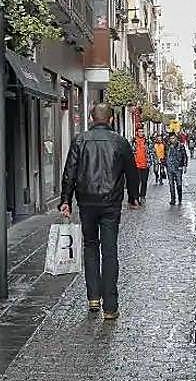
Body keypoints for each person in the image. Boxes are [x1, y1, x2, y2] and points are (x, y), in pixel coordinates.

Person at [60, 103, 140, 319]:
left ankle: (93, 297)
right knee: (110, 250)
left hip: (86, 202)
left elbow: (70, 172)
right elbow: (132, 172)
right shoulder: (120, 142)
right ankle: (111, 306)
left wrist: (65, 200)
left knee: (91, 247)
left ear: (91, 118)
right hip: (111, 203)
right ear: (111, 120)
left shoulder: (80, 140)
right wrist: (133, 197)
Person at [165, 132, 189, 206]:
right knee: (171, 184)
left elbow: (184, 156)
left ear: (176, 138)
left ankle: (180, 198)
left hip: (178, 168)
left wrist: (184, 166)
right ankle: (173, 199)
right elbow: (165, 155)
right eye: (171, 138)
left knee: (179, 184)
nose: (172, 140)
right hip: (169, 168)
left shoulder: (180, 146)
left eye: (173, 138)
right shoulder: (167, 146)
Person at [133, 130, 151, 203]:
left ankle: (143, 195)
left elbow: (151, 152)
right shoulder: (133, 142)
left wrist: (149, 162)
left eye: (142, 131)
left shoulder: (147, 142)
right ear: (137, 132)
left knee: (144, 181)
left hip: (145, 165)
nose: (141, 133)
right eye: (139, 131)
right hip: (136, 165)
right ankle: (136, 196)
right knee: (136, 182)